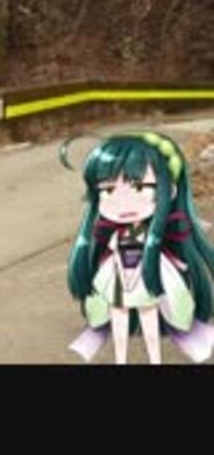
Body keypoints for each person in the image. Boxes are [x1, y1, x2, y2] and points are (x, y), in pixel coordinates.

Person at [63, 131, 214, 364]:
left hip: (144, 281)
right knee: (119, 324)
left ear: (170, 190)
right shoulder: (116, 234)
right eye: (108, 190)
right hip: (119, 281)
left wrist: (176, 263)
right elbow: (113, 254)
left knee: (149, 321)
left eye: (140, 187)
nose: (123, 202)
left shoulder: (154, 234)